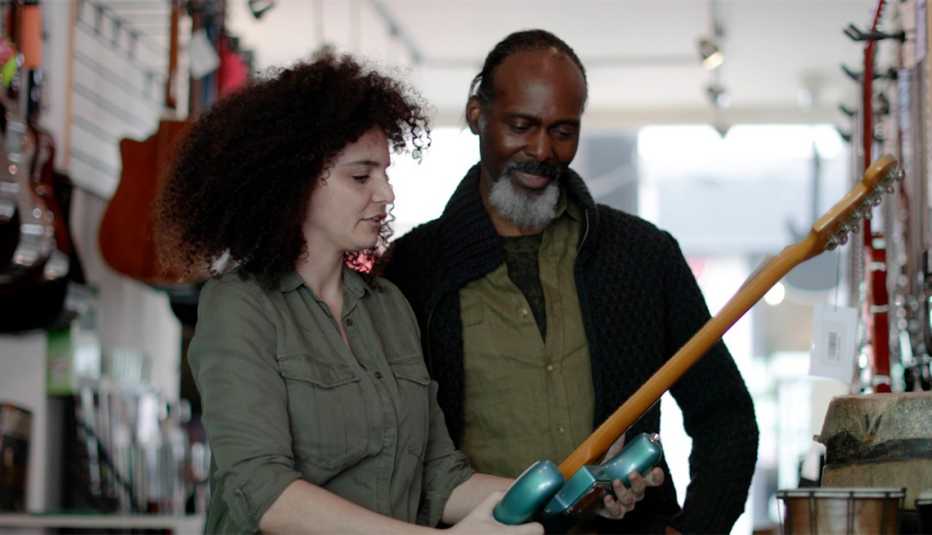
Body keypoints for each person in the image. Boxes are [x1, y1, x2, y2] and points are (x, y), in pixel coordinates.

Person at [154, 51, 637, 535]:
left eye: (384, 173)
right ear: (292, 184)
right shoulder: (240, 306)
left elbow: (438, 479)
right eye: (361, 176)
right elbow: (264, 494)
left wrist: (573, 493)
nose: (385, 194)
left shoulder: (387, 307)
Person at [381, 29, 759, 534]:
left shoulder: (643, 257)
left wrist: (694, 530)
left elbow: (725, 414)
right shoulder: (412, 270)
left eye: (563, 131)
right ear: (477, 115)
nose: (541, 150)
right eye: (521, 125)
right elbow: (394, 453)